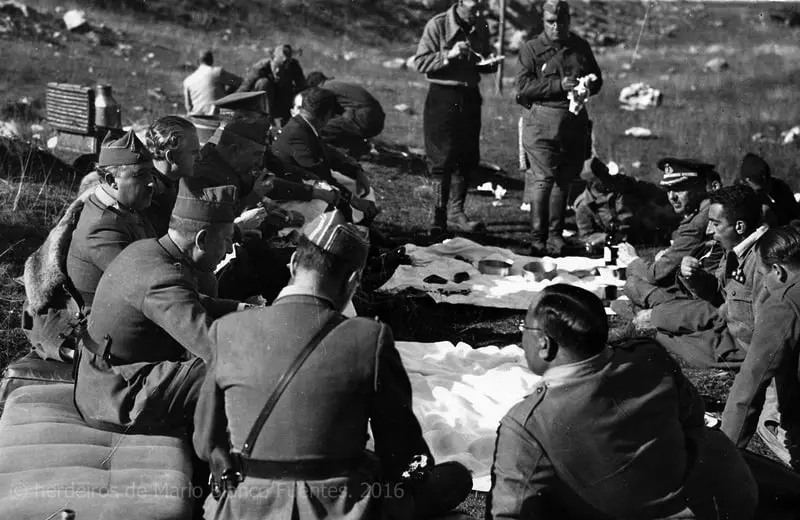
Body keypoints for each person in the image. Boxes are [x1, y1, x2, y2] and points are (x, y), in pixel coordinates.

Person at [194, 209, 472, 520]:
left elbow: (206, 440)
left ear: (293, 264)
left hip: (246, 508)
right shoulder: (370, 337)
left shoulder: (227, 329)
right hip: (339, 508)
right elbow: (401, 450)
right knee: (456, 477)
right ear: (353, 281)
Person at [488, 284, 757, 519]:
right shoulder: (648, 356)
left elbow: (510, 512)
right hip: (705, 505)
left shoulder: (526, 425)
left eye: (524, 327)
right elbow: (693, 419)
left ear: (545, 344)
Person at [73, 182, 245, 433]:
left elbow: (191, 300)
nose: (230, 249)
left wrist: (242, 309)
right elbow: (212, 347)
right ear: (202, 239)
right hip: (120, 397)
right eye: (227, 240)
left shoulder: (149, 250)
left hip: (105, 378)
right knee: (230, 367)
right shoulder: (161, 277)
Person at [516, 0, 602, 256]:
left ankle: (555, 236)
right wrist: (557, 87)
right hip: (541, 122)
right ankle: (537, 239)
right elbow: (522, 89)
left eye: (561, 22)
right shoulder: (531, 49)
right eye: (550, 22)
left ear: (568, 21)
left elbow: (598, 79)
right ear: (543, 22)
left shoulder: (580, 47)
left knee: (563, 181)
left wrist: (590, 84)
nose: (556, 27)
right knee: (543, 180)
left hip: (573, 124)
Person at [653, 184, 769, 368]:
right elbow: (719, 291)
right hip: (728, 324)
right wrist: (695, 277)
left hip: (745, 346)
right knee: (662, 322)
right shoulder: (736, 247)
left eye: (716, 224)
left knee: (668, 339)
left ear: (739, 226)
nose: (710, 231)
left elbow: (770, 331)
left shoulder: (764, 260)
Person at [412, 0, 499, 234]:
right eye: (475, 7)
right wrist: (448, 55)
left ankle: (457, 213)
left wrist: (490, 63)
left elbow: (482, 60)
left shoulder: (481, 26)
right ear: (461, 2)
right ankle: (438, 218)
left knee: (466, 158)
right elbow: (420, 62)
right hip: (443, 96)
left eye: (482, 7)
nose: (479, 12)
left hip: (470, 96)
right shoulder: (437, 25)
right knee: (441, 160)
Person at [722, 224, 800, 472]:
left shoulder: (784, 302)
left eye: (763, 277)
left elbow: (750, 386)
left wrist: (723, 457)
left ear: (778, 271)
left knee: (768, 420)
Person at [66, 130, 157, 307]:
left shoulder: (126, 205)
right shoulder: (102, 226)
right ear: (111, 180)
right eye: (140, 175)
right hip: (96, 325)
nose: (151, 182)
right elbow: (144, 284)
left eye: (151, 173)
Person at [618, 158, 720, 311]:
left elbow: (657, 273)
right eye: (668, 190)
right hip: (704, 287)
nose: (671, 197)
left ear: (697, 187)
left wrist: (632, 260)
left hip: (704, 298)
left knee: (633, 284)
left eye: (678, 189)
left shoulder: (697, 222)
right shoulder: (707, 210)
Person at [272, 87, 378, 222]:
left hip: (306, 187)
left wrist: (356, 169)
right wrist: (353, 200)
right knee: (330, 202)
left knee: (353, 184)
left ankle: (363, 225)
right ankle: (357, 229)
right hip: (291, 199)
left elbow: (329, 152)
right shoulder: (298, 133)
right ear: (326, 115)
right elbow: (321, 176)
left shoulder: (303, 126)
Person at [305, 71, 386, 158]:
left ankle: (337, 156)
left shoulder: (325, 89)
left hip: (364, 116)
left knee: (319, 129)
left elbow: (324, 113)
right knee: (339, 126)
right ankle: (360, 149)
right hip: (377, 117)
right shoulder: (337, 83)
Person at [144, 115, 202, 236]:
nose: (200, 158)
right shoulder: (149, 196)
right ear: (170, 157)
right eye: (194, 152)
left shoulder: (175, 182)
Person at [238, 44, 307, 129]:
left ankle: (285, 122)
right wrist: (227, 109)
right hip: (261, 105)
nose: (277, 71)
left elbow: (304, 89)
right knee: (263, 83)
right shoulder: (260, 68)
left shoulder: (294, 66)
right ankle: (262, 121)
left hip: (283, 103)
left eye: (282, 67)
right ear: (271, 59)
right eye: (276, 66)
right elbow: (243, 89)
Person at [737, 152, 800, 227]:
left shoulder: (779, 187)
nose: (765, 191)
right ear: (747, 181)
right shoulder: (738, 196)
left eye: (768, 184)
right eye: (760, 190)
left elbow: (794, 214)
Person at [183, 50, 241, 116]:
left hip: (197, 117)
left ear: (197, 62)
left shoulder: (187, 81)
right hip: (216, 116)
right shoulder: (217, 72)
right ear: (212, 60)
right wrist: (228, 94)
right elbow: (239, 82)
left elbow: (188, 107)